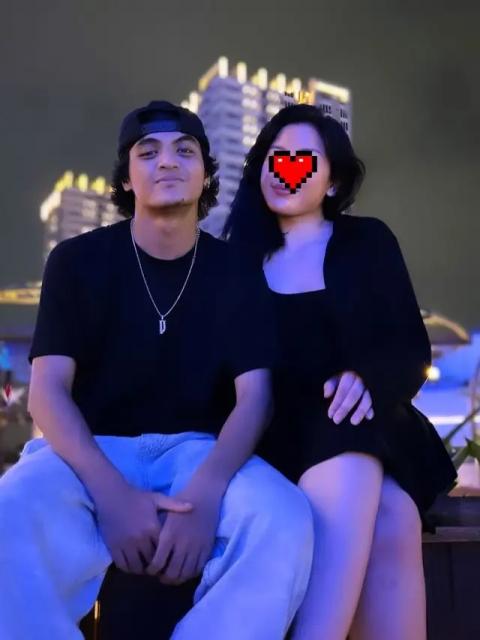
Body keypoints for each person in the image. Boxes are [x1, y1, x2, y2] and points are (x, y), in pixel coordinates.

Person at [0, 101, 314, 640]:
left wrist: (207, 495)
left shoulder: (237, 269)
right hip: (90, 450)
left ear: (206, 173)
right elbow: (48, 392)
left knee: (284, 517)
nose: (167, 161)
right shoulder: (76, 260)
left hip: (199, 452)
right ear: (126, 178)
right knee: (9, 510)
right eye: (148, 153)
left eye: (185, 151)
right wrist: (112, 496)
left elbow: (255, 397)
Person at [223, 103, 457, 640]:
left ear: (331, 181)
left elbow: (408, 345)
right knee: (390, 515)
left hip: (367, 422)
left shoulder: (367, 241)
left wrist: (368, 377)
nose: (285, 169)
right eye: (275, 157)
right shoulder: (235, 264)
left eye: (302, 158)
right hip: (278, 435)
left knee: (370, 471)